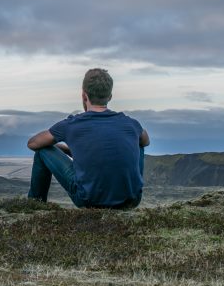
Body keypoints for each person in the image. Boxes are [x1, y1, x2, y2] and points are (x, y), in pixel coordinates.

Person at [26, 68, 150, 209]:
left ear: (84, 95)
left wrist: (57, 147)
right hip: (132, 200)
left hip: (89, 200)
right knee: (139, 143)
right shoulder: (131, 123)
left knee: (42, 151)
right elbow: (146, 141)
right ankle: (128, 191)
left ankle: (35, 206)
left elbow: (33, 143)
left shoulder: (71, 124)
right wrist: (71, 150)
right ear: (110, 96)